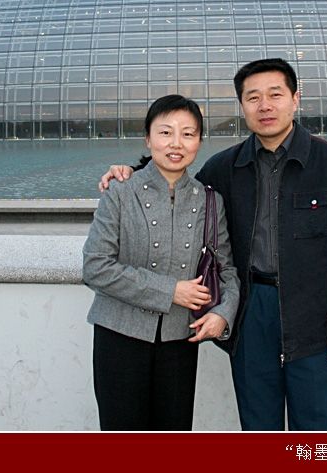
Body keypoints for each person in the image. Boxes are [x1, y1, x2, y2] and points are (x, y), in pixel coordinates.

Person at [99, 59, 327, 431]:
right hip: (251, 311)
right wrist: (131, 173)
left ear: (295, 99)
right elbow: (176, 184)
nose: (265, 106)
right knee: (258, 426)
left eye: (275, 95)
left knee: (316, 429)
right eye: (253, 97)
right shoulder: (224, 168)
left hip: (313, 317)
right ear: (242, 105)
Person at [83, 94, 240, 431]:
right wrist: (171, 291)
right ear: (148, 138)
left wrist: (223, 313)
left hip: (180, 340)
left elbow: (226, 269)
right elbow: (96, 267)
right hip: (119, 336)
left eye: (188, 133)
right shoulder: (120, 191)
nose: (176, 143)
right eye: (166, 132)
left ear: (199, 141)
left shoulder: (210, 200)